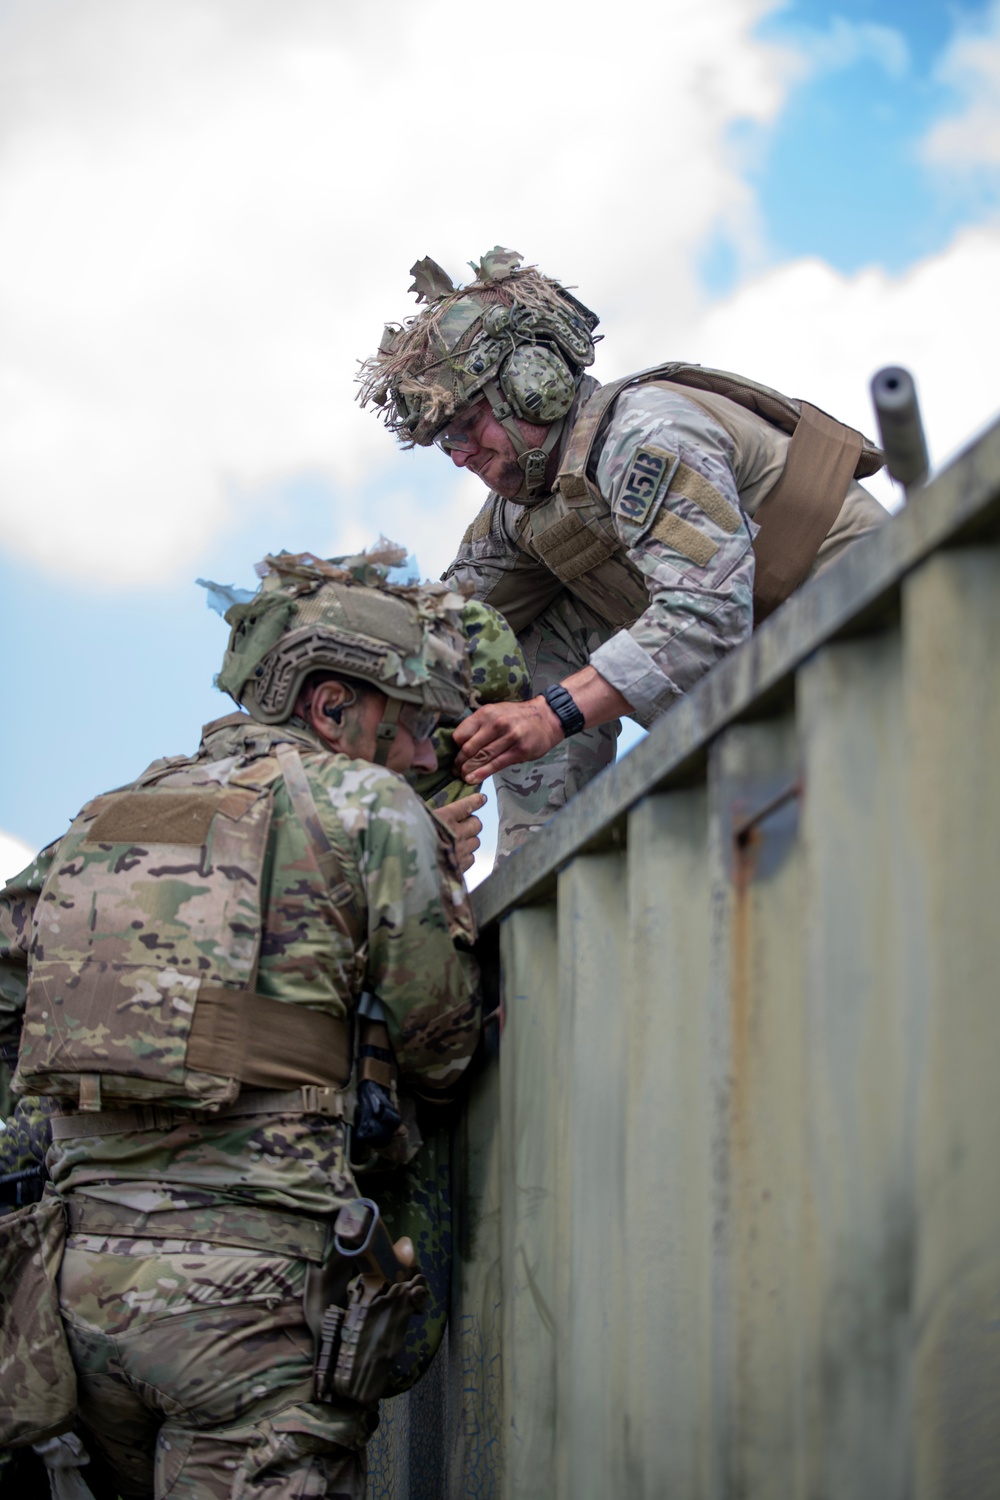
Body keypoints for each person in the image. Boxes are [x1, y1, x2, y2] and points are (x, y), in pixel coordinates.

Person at [0, 546, 484, 1500]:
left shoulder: (105, 818)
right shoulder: (368, 806)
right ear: (332, 706)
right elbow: (444, 1046)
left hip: (71, 1300)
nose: (429, 753)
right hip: (249, 1307)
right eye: (417, 722)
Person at [359, 247, 887, 856]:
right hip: (773, 681)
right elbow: (439, 632)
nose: (457, 455)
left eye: (464, 427)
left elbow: (706, 615)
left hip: (868, 628)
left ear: (532, 385)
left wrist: (549, 715)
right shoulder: (525, 510)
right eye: (442, 441)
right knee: (511, 633)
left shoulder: (643, 432)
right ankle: (540, 864)